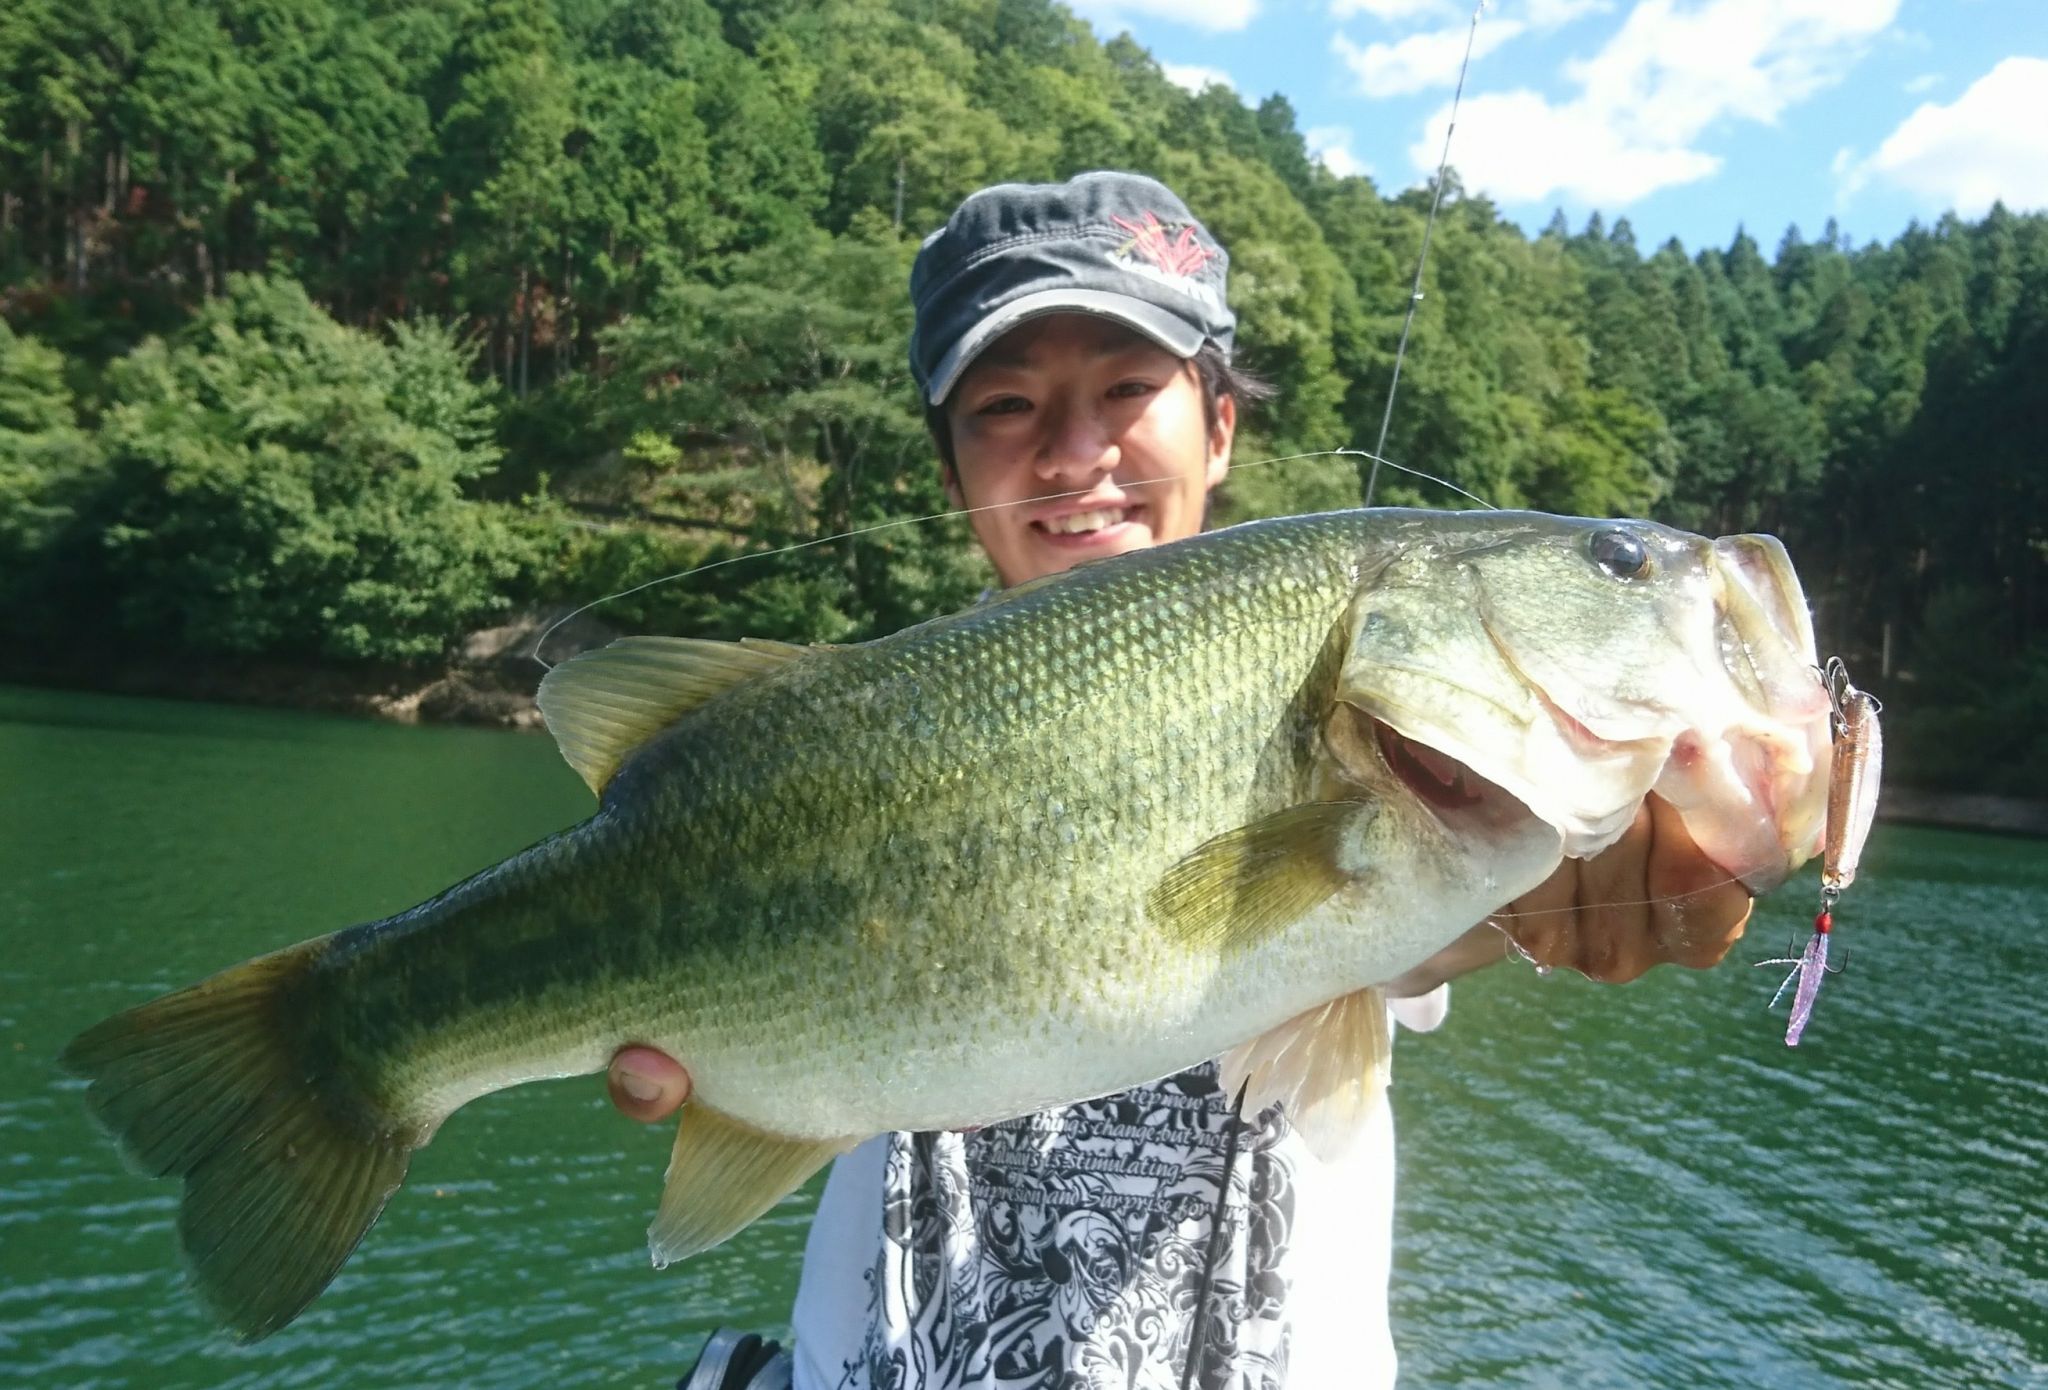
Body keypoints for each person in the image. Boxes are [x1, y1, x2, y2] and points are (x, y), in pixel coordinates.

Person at [614, 172, 1755, 1389]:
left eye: (1126, 388)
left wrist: (1672, 869)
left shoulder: (1394, 758)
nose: (1071, 451)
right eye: (1005, 403)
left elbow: (1503, 917)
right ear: (950, 471)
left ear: (1216, 424)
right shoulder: (838, 747)